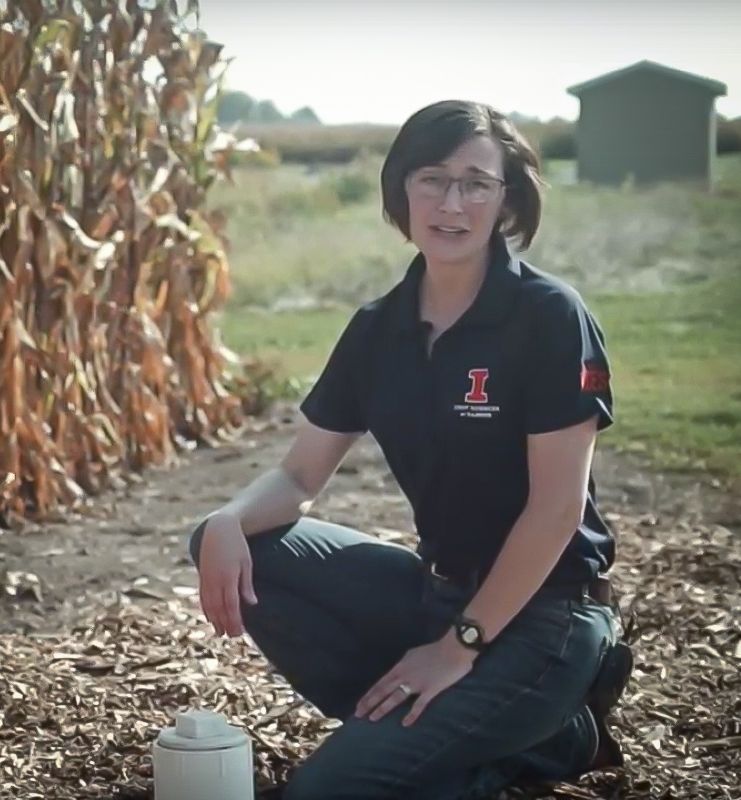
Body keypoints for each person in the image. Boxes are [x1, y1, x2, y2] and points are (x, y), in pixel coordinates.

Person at [188, 100, 634, 800]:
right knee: (250, 544)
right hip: (434, 589)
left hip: (545, 615)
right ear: (401, 188)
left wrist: (459, 646)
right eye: (432, 178)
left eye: (476, 182)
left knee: (325, 794)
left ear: (505, 198)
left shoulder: (548, 317)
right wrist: (224, 520)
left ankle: (527, 730)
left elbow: (555, 511)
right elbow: (300, 473)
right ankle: (510, 736)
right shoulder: (377, 328)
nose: (452, 202)